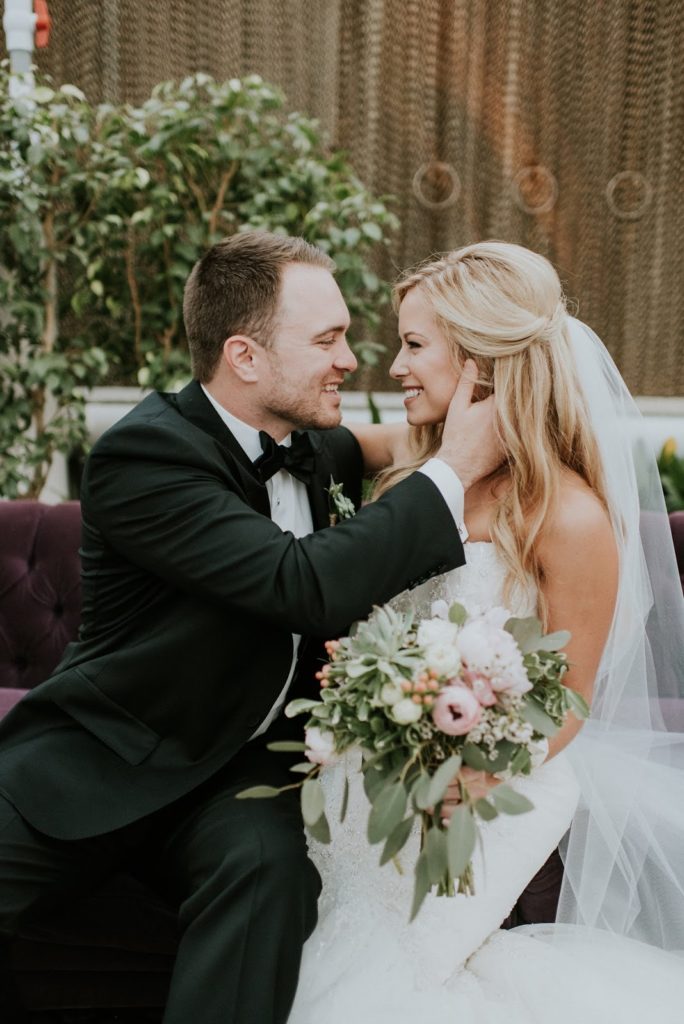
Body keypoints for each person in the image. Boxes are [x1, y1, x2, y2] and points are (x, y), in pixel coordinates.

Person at [0, 231, 504, 1024]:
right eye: (328, 340)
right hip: (100, 754)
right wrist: (452, 470)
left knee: (270, 872)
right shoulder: (144, 456)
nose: (351, 359)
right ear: (245, 356)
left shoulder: (311, 447)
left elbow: (391, 443)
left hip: (242, 781)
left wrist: (495, 412)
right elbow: (296, 585)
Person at [286, 241, 684, 1024]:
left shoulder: (564, 516)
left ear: (480, 359)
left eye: (413, 344)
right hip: (367, 776)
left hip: (490, 790)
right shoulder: (416, 469)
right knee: (335, 943)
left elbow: (569, 703)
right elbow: (311, 453)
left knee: (397, 972)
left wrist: (476, 777)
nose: (393, 366)